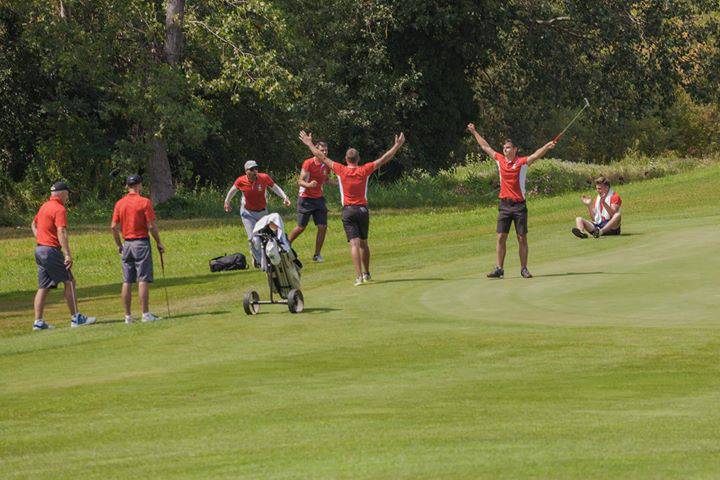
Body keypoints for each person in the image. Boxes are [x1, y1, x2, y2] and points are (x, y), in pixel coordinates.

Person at [299, 130, 405, 286]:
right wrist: (397, 146)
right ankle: (367, 273)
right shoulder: (365, 169)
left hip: (348, 211)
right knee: (364, 243)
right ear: (358, 159)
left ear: (346, 159)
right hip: (363, 210)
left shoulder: (341, 169)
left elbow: (321, 157)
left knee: (354, 245)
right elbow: (384, 158)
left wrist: (309, 143)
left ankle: (359, 277)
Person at [467, 124, 556, 279]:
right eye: (504, 147)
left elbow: (535, 155)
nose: (505, 149)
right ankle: (499, 269)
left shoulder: (522, 163)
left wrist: (547, 146)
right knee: (501, 237)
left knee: (522, 238)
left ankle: (524, 269)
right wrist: (474, 132)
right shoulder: (500, 160)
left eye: (508, 147)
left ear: (515, 149)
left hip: (519, 205)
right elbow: (485, 147)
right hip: (504, 205)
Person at [30, 182, 96, 330]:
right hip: (51, 251)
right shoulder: (59, 208)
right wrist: (67, 254)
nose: (68, 196)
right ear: (61, 193)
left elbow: (33, 224)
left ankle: (38, 322)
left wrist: (40, 238)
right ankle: (76, 318)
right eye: (67, 193)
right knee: (70, 282)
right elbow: (61, 231)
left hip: (40, 250)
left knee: (44, 287)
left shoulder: (44, 206)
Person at [111, 174, 166, 323]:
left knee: (127, 280)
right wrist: (159, 242)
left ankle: (128, 316)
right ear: (139, 185)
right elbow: (151, 226)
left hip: (127, 244)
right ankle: (145, 314)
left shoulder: (119, 203)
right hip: (141, 243)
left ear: (127, 186)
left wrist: (119, 245)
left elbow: (113, 227)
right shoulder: (145, 202)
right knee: (142, 279)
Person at [224, 160, 291, 266]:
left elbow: (274, 187)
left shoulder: (264, 178)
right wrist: (227, 202)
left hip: (263, 213)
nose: (255, 171)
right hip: (247, 213)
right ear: (246, 171)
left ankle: (263, 257)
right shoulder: (241, 181)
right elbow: (232, 190)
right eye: (252, 169)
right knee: (254, 239)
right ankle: (260, 262)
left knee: (266, 237)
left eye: (256, 168)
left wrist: (285, 197)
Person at [288, 141, 334, 262]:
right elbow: (300, 181)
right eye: (322, 150)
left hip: (319, 199)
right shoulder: (308, 163)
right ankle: (285, 245)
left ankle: (317, 255)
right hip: (305, 199)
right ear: (316, 150)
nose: (324, 152)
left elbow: (326, 179)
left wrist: (340, 183)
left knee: (322, 226)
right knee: (301, 227)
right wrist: (309, 185)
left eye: (326, 150)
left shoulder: (326, 164)